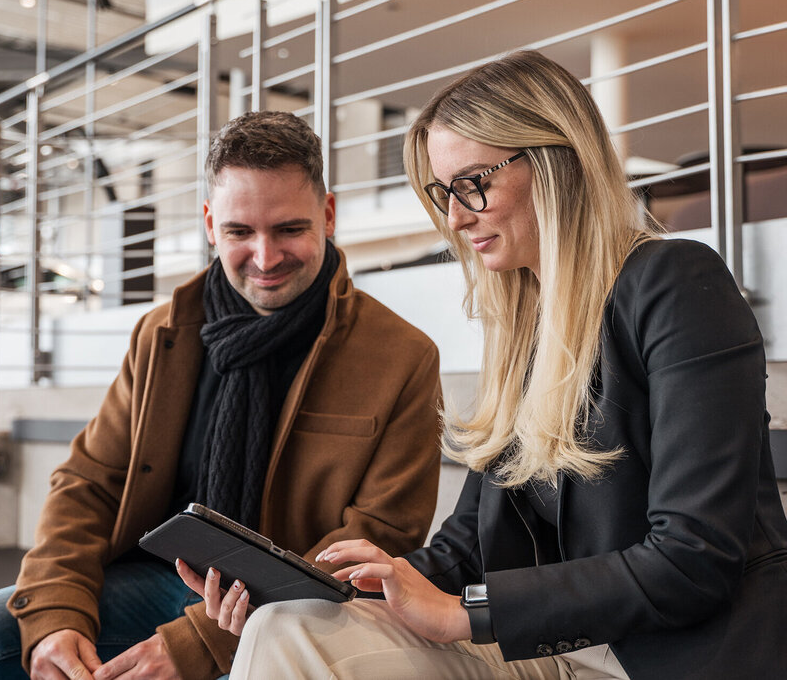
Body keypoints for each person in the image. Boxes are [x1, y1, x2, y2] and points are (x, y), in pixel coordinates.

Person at [183, 51, 787, 679]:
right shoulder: (531, 326)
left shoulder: (677, 284)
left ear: (558, 162)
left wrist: (468, 613)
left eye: (473, 184)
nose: (455, 217)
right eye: (444, 193)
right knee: (288, 624)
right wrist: (345, 584)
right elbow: (466, 547)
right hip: (563, 650)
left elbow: (693, 559)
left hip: (669, 659)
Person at [0, 111, 443, 680]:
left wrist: (198, 643)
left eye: (288, 229)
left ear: (327, 216)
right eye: (239, 232)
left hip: (288, 609)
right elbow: (88, 483)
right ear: (210, 224)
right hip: (155, 576)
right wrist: (58, 613)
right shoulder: (163, 334)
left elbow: (375, 539)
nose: (265, 256)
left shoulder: (402, 356)